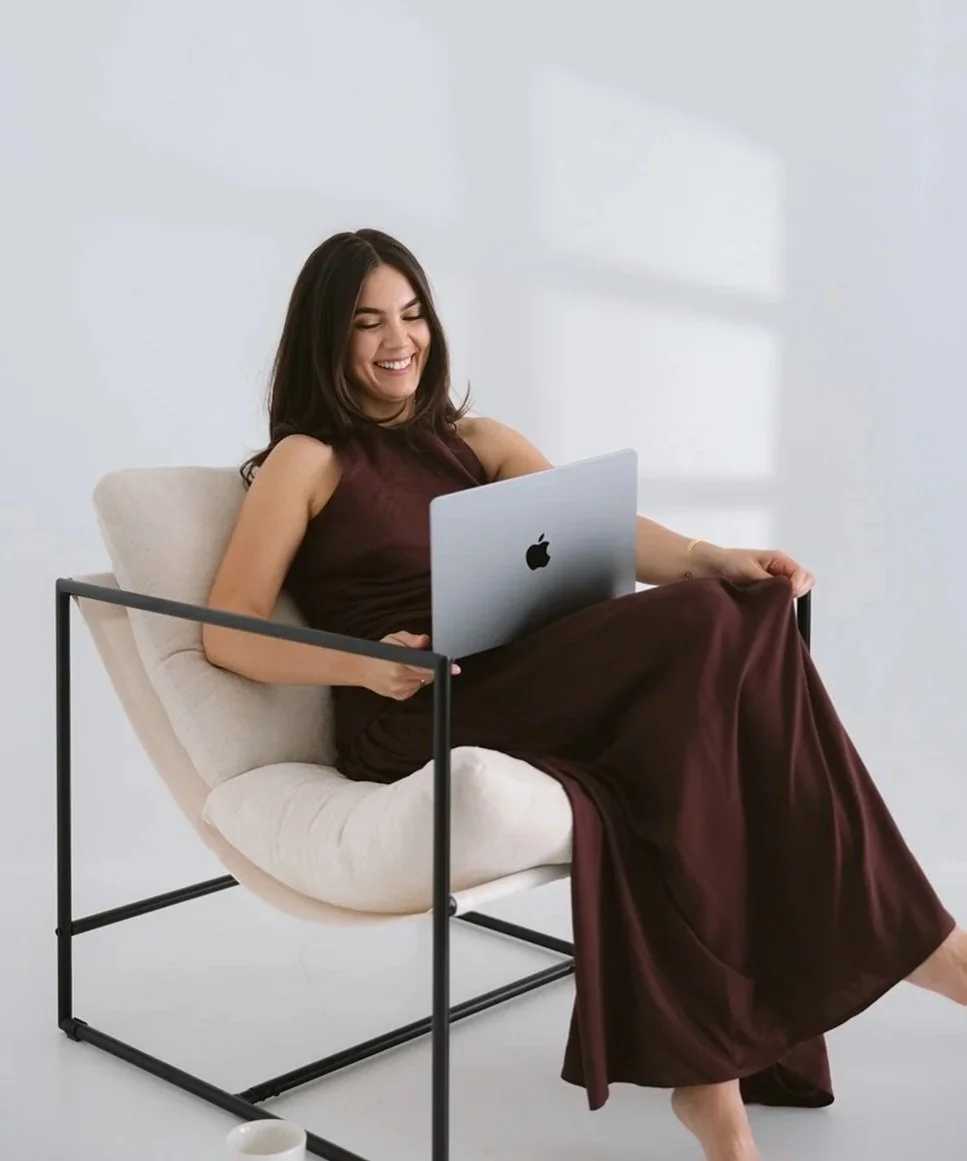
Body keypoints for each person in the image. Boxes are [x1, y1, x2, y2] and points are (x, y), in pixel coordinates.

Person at [202, 228, 966, 1161]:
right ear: (326, 339)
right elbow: (226, 628)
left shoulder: (474, 441)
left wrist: (706, 555)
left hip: (522, 673)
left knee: (744, 603)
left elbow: (594, 528)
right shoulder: (308, 460)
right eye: (366, 323)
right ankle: (914, 943)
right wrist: (360, 662)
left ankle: (710, 1076)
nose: (396, 339)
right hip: (411, 709)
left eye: (410, 315)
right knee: (704, 624)